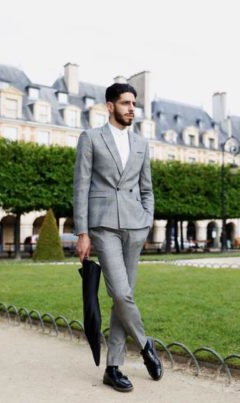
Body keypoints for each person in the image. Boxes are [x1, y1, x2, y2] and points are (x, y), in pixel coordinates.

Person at [73, 82, 162, 393]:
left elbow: (147, 188)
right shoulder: (91, 138)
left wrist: (147, 220)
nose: (131, 108)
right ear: (110, 106)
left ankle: (113, 367)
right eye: (125, 103)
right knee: (122, 294)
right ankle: (146, 344)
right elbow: (81, 187)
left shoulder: (141, 143)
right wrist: (83, 232)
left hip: (135, 227)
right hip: (104, 225)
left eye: (133, 103)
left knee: (120, 301)